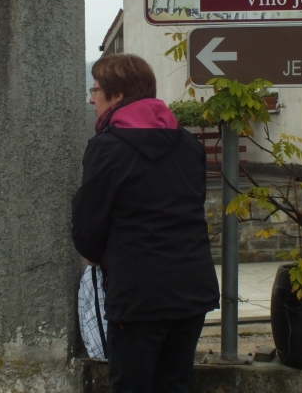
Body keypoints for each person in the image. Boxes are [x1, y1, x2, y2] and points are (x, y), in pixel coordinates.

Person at [72, 53, 220, 392]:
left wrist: (92, 253)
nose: (92, 99)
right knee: (174, 384)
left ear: (118, 95)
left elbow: (89, 220)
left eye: (96, 90)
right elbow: (192, 206)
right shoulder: (188, 144)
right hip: (192, 288)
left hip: (138, 294)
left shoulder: (107, 147)